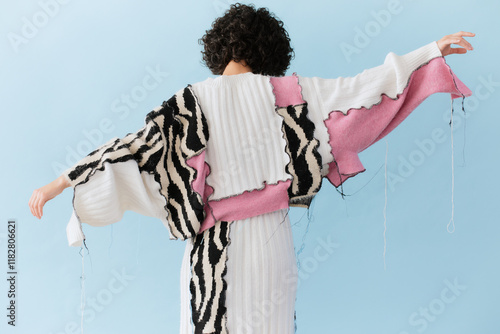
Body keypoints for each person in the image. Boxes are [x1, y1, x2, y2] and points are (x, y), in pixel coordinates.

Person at [29, 3, 474, 333]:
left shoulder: (189, 103)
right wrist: (430, 53)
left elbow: (130, 149)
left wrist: (59, 183)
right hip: (270, 242)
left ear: (219, 47)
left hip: (208, 253)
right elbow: (365, 88)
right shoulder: (291, 93)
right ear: (270, 51)